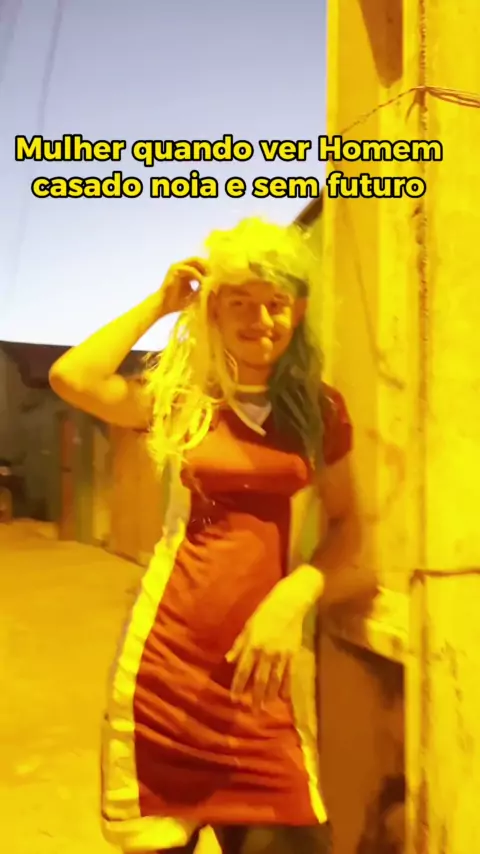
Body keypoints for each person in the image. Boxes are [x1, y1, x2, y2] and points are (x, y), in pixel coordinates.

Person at [49, 217, 374, 854]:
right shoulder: (183, 400)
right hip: (165, 677)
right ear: (214, 311)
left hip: (262, 686)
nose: (261, 320)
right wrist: (161, 303)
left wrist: (293, 597)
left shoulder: (319, 410)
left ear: (299, 311)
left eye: (275, 303)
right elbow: (72, 378)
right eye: (240, 303)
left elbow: (350, 526)